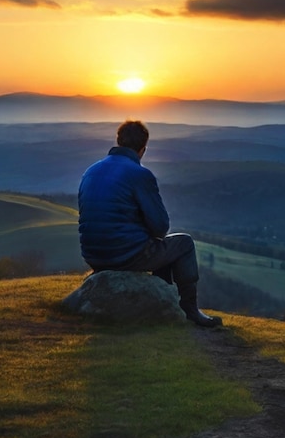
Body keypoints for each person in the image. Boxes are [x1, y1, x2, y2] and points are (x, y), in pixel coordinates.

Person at [78, 119, 222, 327]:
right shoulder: (140, 174)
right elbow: (161, 227)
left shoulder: (91, 171)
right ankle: (189, 309)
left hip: (93, 255)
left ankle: (162, 302)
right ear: (143, 149)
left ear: (118, 141)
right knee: (184, 243)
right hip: (125, 255)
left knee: (157, 248)